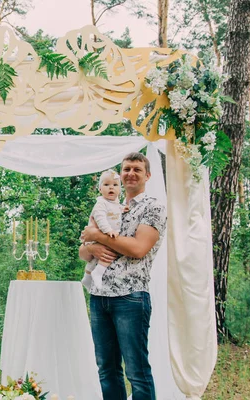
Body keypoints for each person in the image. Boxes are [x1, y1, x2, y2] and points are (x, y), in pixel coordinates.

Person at [79, 152, 166, 400]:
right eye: (126, 169)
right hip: (99, 297)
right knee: (107, 370)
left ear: (147, 175)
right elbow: (82, 250)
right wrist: (92, 247)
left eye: (137, 169)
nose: (130, 173)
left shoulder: (153, 207)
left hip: (131, 298)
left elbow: (138, 249)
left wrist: (98, 237)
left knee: (137, 372)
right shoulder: (105, 206)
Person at [81, 169, 125, 290]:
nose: (111, 188)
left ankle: (87, 276)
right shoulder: (101, 204)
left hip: (102, 236)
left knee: (97, 258)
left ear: (120, 189)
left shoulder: (116, 204)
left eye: (115, 185)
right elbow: (100, 218)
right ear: (100, 189)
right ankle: (98, 272)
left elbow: (116, 211)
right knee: (109, 252)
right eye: (106, 185)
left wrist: (123, 209)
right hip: (98, 234)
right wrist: (108, 230)